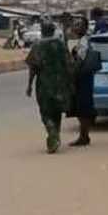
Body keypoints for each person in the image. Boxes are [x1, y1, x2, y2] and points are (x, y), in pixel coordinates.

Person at [25, 21, 73, 154]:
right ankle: (55, 136)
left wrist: (29, 85)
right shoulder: (61, 44)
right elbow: (69, 64)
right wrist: (71, 82)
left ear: (42, 30)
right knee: (57, 110)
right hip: (60, 83)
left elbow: (33, 67)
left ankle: (52, 132)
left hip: (44, 84)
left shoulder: (37, 45)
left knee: (45, 111)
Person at [68, 18, 101, 146]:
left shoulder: (84, 42)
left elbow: (79, 61)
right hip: (83, 77)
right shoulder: (79, 41)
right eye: (74, 24)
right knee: (81, 107)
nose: (75, 27)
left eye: (78, 25)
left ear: (85, 28)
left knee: (83, 107)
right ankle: (84, 135)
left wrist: (72, 73)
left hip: (83, 77)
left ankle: (84, 136)